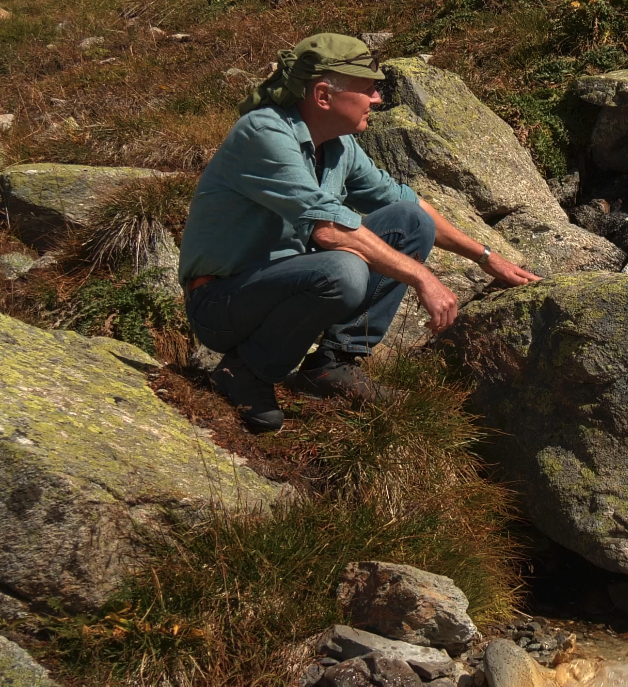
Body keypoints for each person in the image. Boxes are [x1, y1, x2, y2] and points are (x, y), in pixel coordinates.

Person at [178, 33, 540, 430]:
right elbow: (329, 231)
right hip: (221, 303)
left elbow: (410, 205)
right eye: (367, 89)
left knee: (408, 221)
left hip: (282, 286)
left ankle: (331, 366)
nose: (378, 98)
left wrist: (487, 258)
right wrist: (422, 277)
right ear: (322, 95)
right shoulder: (264, 134)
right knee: (342, 271)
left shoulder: (338, 145)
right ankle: (245, 371)